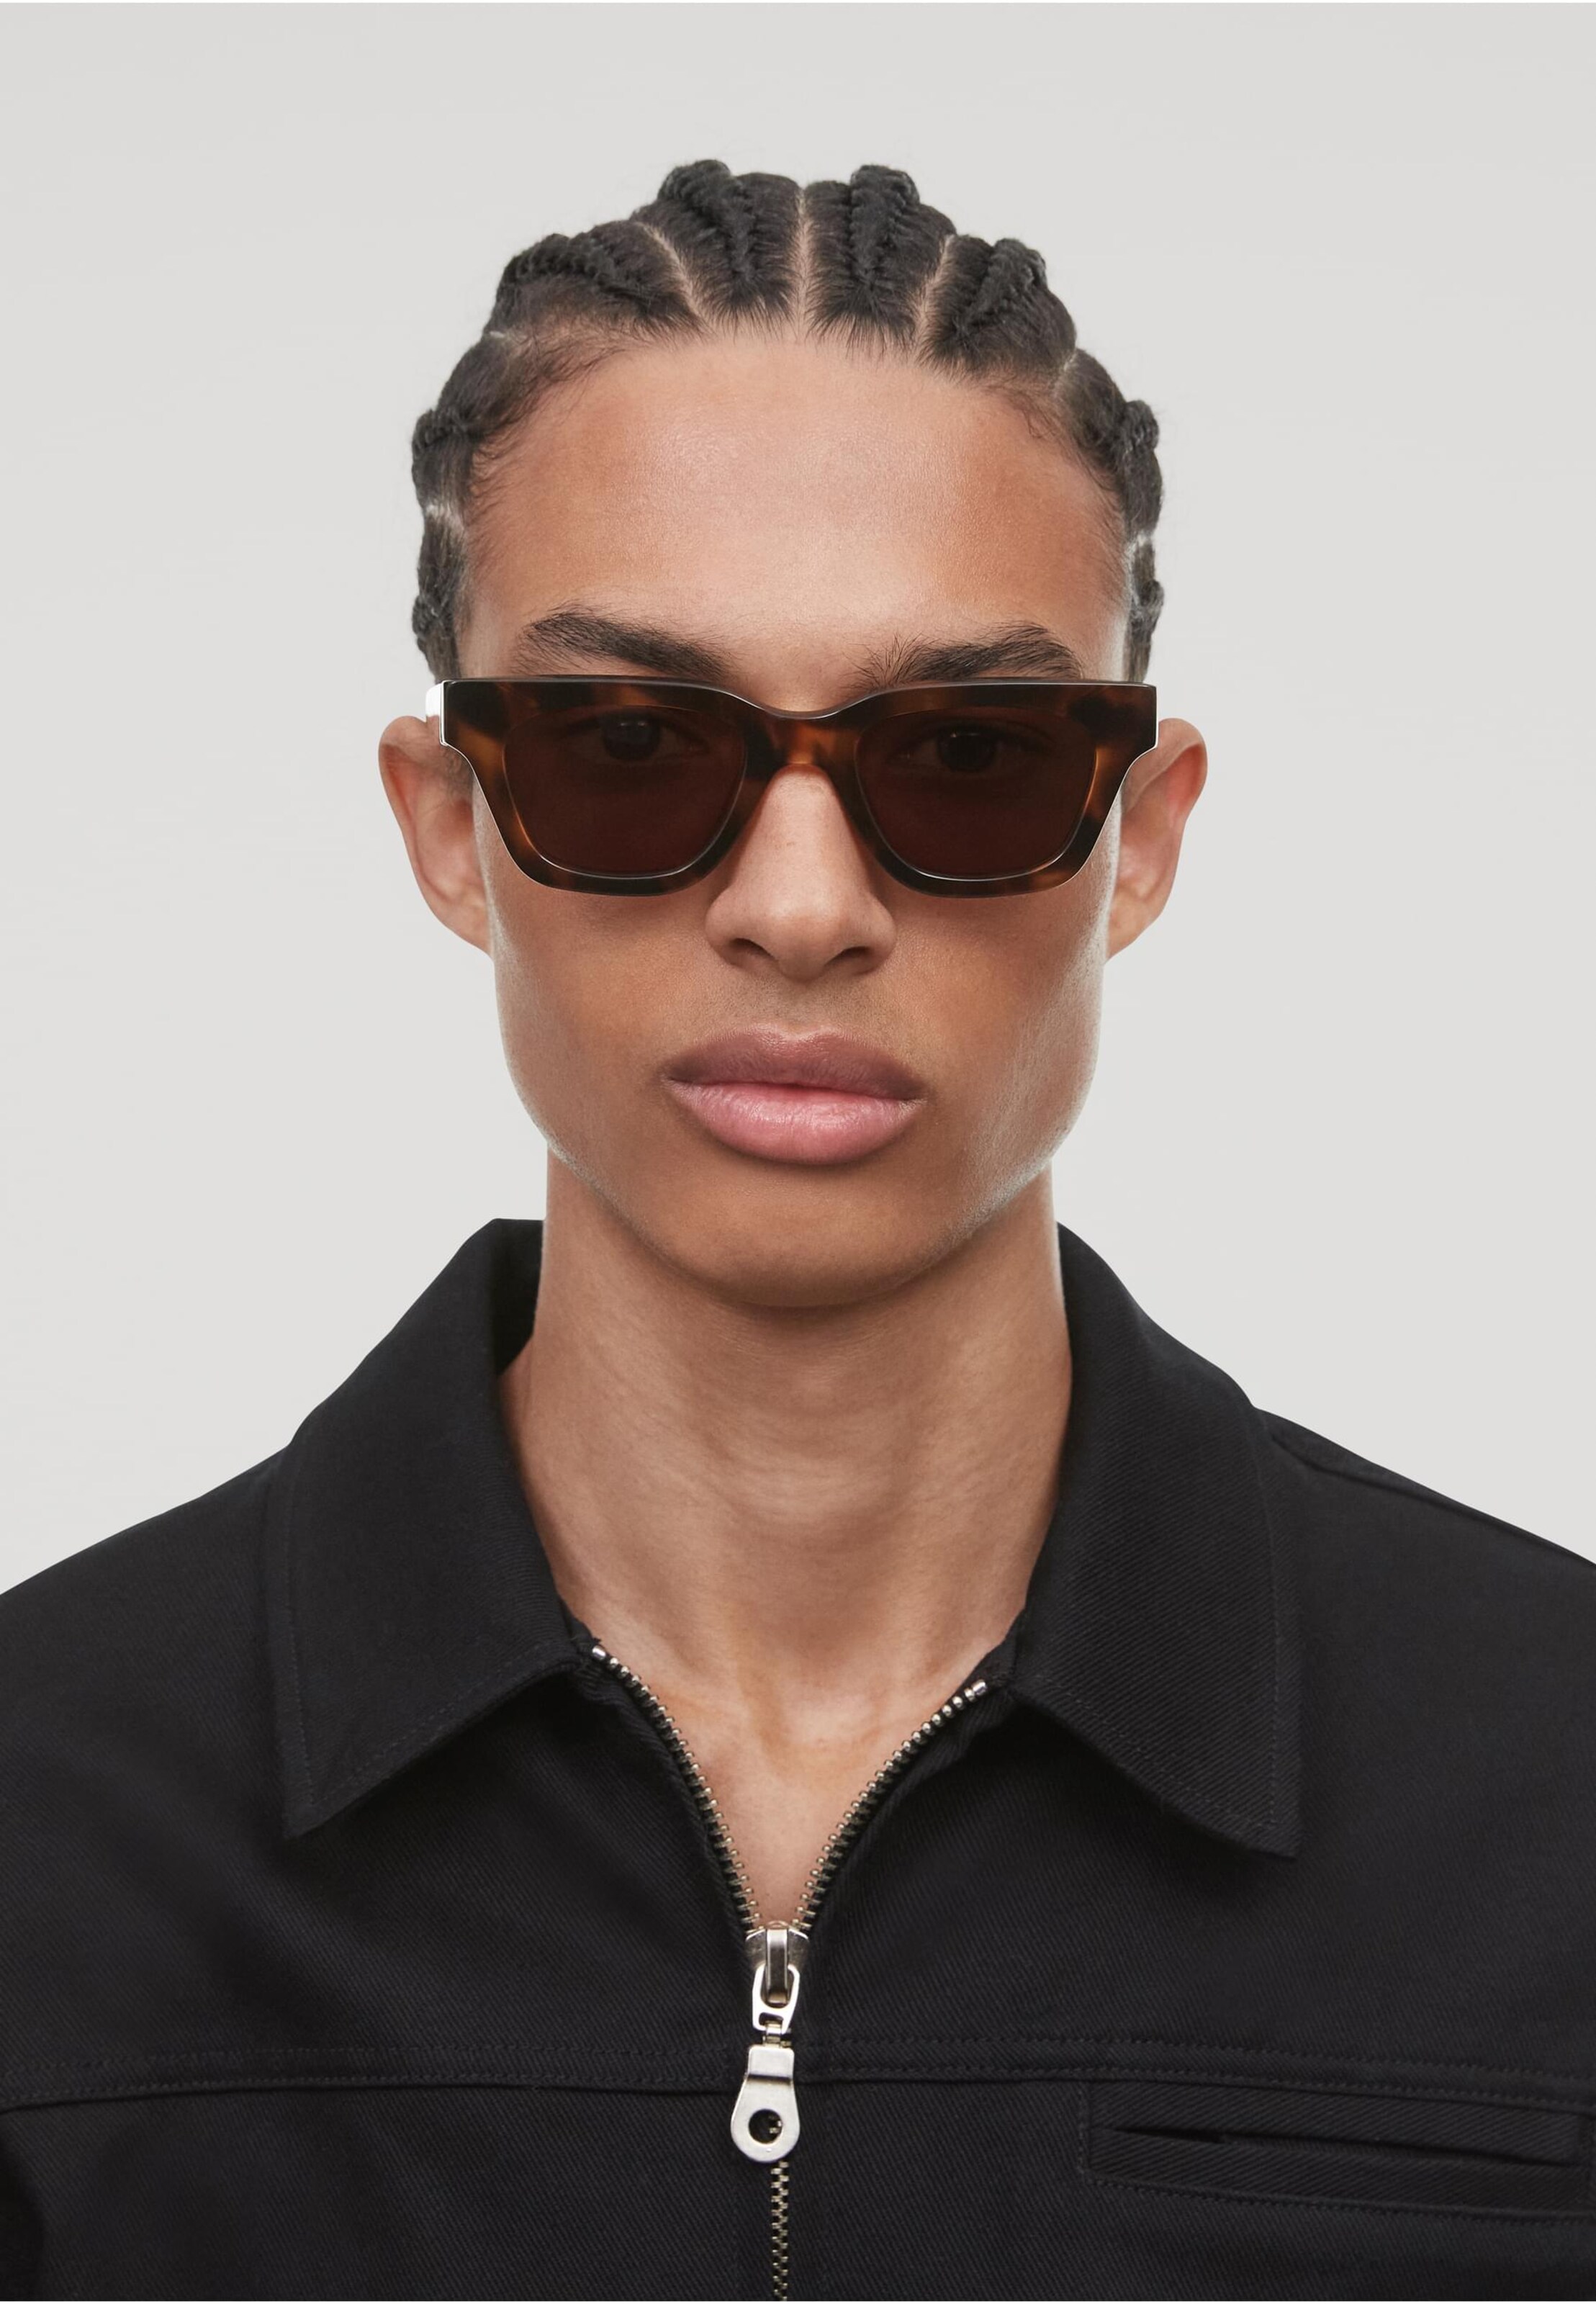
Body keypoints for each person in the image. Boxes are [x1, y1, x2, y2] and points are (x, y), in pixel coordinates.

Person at [1, 158, 1591, 2304]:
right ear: (451, 827)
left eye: (967, 753)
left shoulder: (1553, 1792)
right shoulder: (46, 1823)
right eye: (628, 745)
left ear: (1137, 839)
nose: (801, 905)